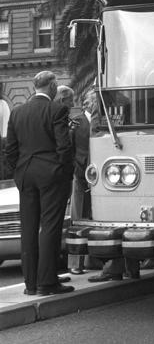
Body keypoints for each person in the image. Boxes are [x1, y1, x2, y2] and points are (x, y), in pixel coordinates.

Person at [4, 71, 75, 295]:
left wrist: (19, 171)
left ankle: (31, 284)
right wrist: (63, 172)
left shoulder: (17, 112)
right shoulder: (57, 109)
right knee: (50, 227)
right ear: (52, 87)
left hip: (26, 175)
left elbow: (11, 151)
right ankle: (47, 282)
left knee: (29, 229)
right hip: (51, 174)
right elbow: (64, 147)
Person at [55, 86, 98, 275]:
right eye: (97, 99)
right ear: (87, 103)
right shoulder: (77, 122)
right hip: (80, 175)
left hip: (102, 177)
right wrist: (74, 168)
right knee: (78, 218)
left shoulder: (105, 121)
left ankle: (95, 259)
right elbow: (68, 148)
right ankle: (75, 263)